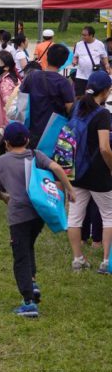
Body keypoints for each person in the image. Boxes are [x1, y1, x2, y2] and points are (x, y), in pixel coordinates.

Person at [0, 122, 73, 317]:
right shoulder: (36, 155)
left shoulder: (2, 162)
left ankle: (28, 302)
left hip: (18, 216)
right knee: (28, 246)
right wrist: (70, 190)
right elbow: (57, 168)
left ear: (7, 143)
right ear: (27, 140)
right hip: (38, 214)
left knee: (20, 255)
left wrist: (5, 198)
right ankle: (33, 282)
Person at [66, 71, 112, 272]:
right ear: (106, 91)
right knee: (109, 215)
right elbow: (104, 148)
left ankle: (78, 259)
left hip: (76, 171)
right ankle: (106, 261)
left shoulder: (77, 107)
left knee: (74, 217)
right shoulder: (103, 114)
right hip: (98, 173)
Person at [20, 44, 73, 146]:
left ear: (47, 56)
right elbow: (69, 107)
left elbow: (22, 100)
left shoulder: (31, 76)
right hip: (53, 131)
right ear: (63, 62)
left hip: (31, 129)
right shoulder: (63, 82)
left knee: (32, 159)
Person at [72, 25, 109, 97]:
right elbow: (75, 56)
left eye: (85, 35)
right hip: (80, 76)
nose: (83, 37)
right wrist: (74, 61)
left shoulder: (99, 44)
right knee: (79, 96)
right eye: (82, 35)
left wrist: (107, 65)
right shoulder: (79, 44)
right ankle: (80, 108)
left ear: (91, 35)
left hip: (94, 76)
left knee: (93, 96)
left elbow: (104, 56)